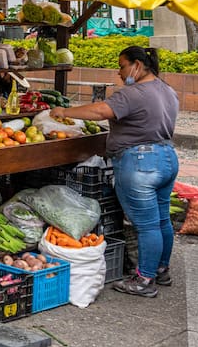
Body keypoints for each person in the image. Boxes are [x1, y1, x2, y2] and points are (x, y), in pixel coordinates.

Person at [48, 45, 179, 298]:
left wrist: (63, 112)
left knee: (147, 225)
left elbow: (99, 111)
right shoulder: (167, 90)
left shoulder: (133, 93)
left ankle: (144, 279)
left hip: (140, 163)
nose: (120, 73)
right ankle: (161, 269)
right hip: (167, 158)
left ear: (137, 65)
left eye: (122, 66)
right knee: (162, 220)